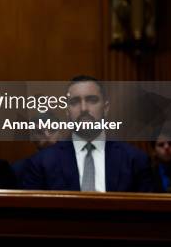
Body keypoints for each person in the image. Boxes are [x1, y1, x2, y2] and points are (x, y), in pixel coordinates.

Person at [22, 76, 153, 192]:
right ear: (67, 111)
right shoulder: (42, 163)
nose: (83, 108)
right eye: (75, 102)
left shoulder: (135, 160)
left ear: (105, 108)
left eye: (92, 100)